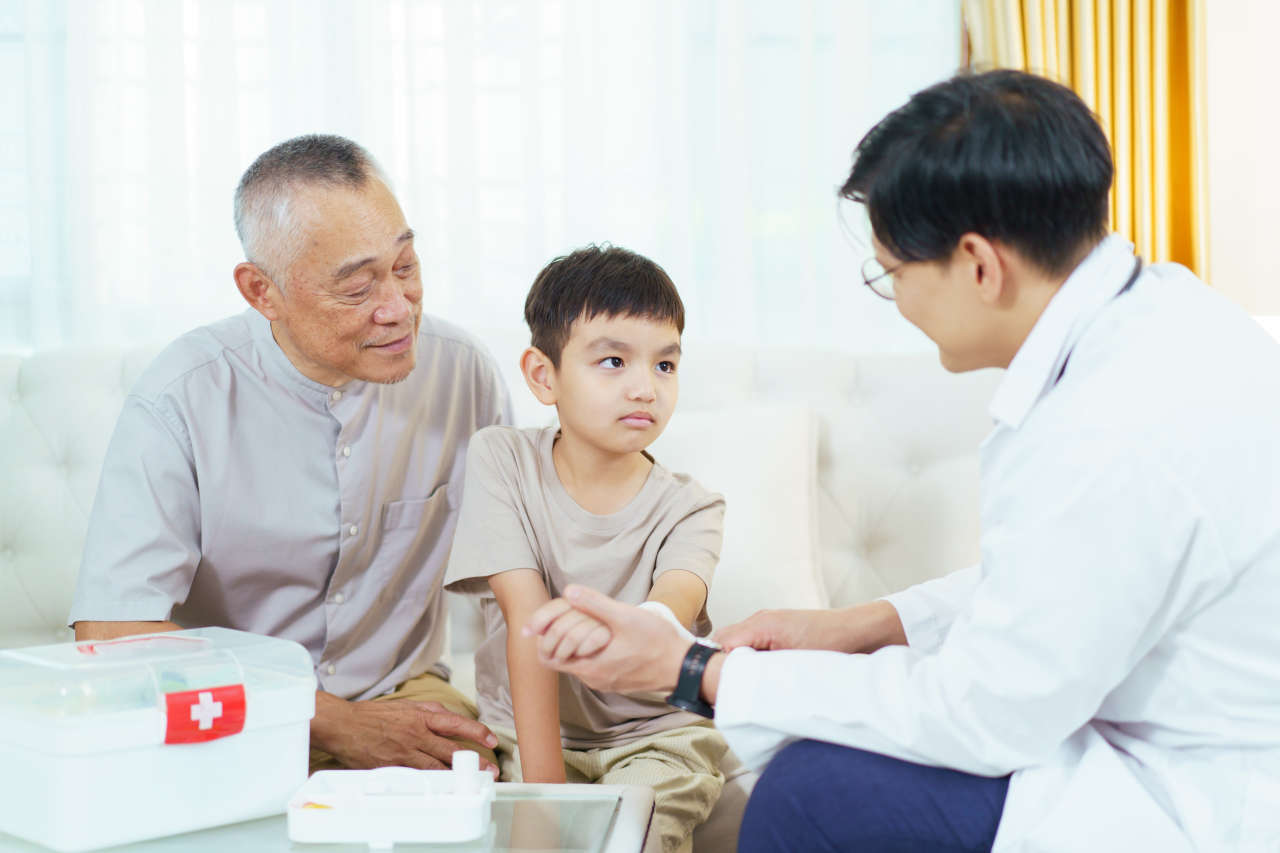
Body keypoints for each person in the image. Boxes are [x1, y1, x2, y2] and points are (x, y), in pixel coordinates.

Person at [525, 69, 1280, 852]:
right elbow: (1068, 578)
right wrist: (861, 625)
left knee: (813, 795)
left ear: (980, 266)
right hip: (1151, 732)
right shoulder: (1167, 314)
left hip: (1197, 795)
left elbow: (988, 709)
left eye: (894, 274)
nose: (898, 300)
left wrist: (692, 672)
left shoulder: (1107, 426)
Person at [69, 134, 510, 775]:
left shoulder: (462, 371)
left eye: (406, 267)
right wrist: (334, 722)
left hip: (401, 693)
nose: (397, 309)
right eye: (356, 289)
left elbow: (514, 582)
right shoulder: (182, 396)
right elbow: (110, 633)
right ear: (261, 291)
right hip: (229, 710)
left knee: (473, 797)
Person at [443, 245, 728, 853]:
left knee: (634, 840)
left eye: (665, 365)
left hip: (657, 738)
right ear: (543, 376)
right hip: (524, 732)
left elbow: (669, 608)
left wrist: (644, 621)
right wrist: (545, 802)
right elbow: (528, 624)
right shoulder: (502, 459)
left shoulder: (694, 508)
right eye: (614, 361)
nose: (645, 388)